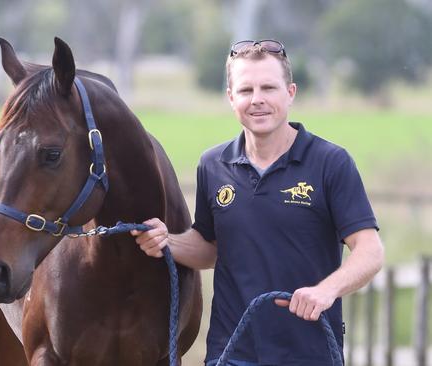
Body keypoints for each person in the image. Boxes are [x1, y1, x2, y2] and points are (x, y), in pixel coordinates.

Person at [131, 40, 384, 366]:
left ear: (290, 92)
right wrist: (167, 242)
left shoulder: (330, 163)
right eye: (246, 90)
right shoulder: (212, 165)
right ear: (231, 97)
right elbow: (210, 248)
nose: (258, 100)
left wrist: (326, 290)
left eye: (268, 88)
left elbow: (370, 250)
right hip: (231, 353)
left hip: (310, 353)